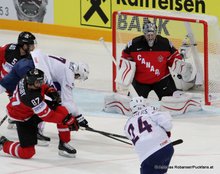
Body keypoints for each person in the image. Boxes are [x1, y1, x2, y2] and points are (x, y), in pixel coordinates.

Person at [0, 49, 89, 143]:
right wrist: (78, 117)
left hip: (23, 63)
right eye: (78, 77)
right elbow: (67, 101)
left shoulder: (66, 64)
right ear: (78, 73)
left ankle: (14, 116)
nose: (75, 79)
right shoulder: (69, 74)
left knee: (4, 85)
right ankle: (36, 131)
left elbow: (55, 84)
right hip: (34, 69)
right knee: (40, 101)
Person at [0, 68, 79, 159]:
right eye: (39, 82)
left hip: (30, 109)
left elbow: (42, 87)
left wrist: (50, 91)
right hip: (23, 118)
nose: (41, 83)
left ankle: (64, 144)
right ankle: (3, 143)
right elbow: (48, 116)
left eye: (41, 81)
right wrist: (67, 120)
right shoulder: (31, 97)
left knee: (63, 111)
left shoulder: (27, 80)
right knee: (27, 153)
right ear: (31, 83)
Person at [0, 31, 51, 143]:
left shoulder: (30, 58)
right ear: (24, 45)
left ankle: (19, 122)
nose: (33, 47)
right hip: (4, 81)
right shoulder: (9, 49)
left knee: (20, 106)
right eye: (31, 44)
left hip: (15, 85)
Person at [120, 22, 183, 100]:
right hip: (141, 82)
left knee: (171, 103)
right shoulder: (134, 44)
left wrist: (181, 66)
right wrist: (124, 69)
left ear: (156, 33)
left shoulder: (165, 43)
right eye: (148, 35)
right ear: (144, 34)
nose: (150, 37)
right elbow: (125, 59)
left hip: (162, 80)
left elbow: (175, 58)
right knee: (134, 104)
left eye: (152, 35)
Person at [124, 96, 174, 174]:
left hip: (147, 156)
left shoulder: (127, 125)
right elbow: (168, 125)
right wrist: (166, 132)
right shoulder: (150, 110)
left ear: (131, 109)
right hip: (167, 149)